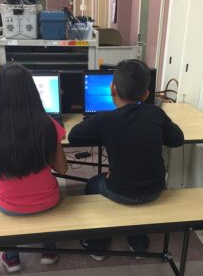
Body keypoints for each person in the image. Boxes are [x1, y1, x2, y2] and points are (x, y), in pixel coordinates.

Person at [68, 59, 184, 260]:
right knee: (129, 181)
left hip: (121, 190)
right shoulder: (156, 113)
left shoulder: (104, 119)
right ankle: (138, 242)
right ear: (146, 94)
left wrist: (102, 133)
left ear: (112, 88)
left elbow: (73, 137)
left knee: (91, 184)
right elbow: (177, 139)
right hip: (155, 189)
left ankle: (97, 244)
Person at [0, 63, 67, 273]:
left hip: (9, 207)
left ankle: (12, 256)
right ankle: (49, 249)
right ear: (31, 91)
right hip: (49, 202)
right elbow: (62, 169)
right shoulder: (48, 124)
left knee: (2, 198)